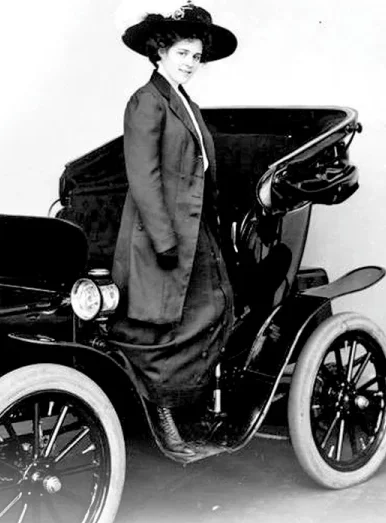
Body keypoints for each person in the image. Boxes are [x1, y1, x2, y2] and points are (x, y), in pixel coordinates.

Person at [110, 2, 237, 456]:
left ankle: (188, 406)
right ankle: (163, 417)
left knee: (215, 310)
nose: (190, 62)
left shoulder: (185, 101)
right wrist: (164, 241)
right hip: (157, 235)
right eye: (183, 52)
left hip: (192, 231)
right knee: (159, 328)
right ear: (160, 51)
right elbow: (143, 178)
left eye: (196, 56)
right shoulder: (147, 100)